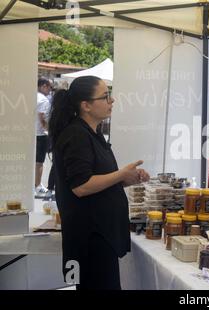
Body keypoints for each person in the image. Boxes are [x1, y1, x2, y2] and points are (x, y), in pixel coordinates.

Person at [48, 76, 150, 290]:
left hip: (99, 236)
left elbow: (97, 181)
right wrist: (121, 173)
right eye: (105, 97)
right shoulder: (76, 135)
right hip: (89, 239)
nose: (111, 100)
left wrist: (125, 179)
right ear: (85, 105)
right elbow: (81, 186)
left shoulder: (91, 133)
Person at [35, 77, 52, 197]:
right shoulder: (44, 100)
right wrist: (48, 130)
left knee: (33, 161)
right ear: (44, 86)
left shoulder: (33, 96)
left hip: (31, 133)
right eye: (49, 87)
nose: (50, 90)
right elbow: (42, 117)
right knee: (39, 162)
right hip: (41, 134)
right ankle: (38, 185)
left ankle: (34, 184)